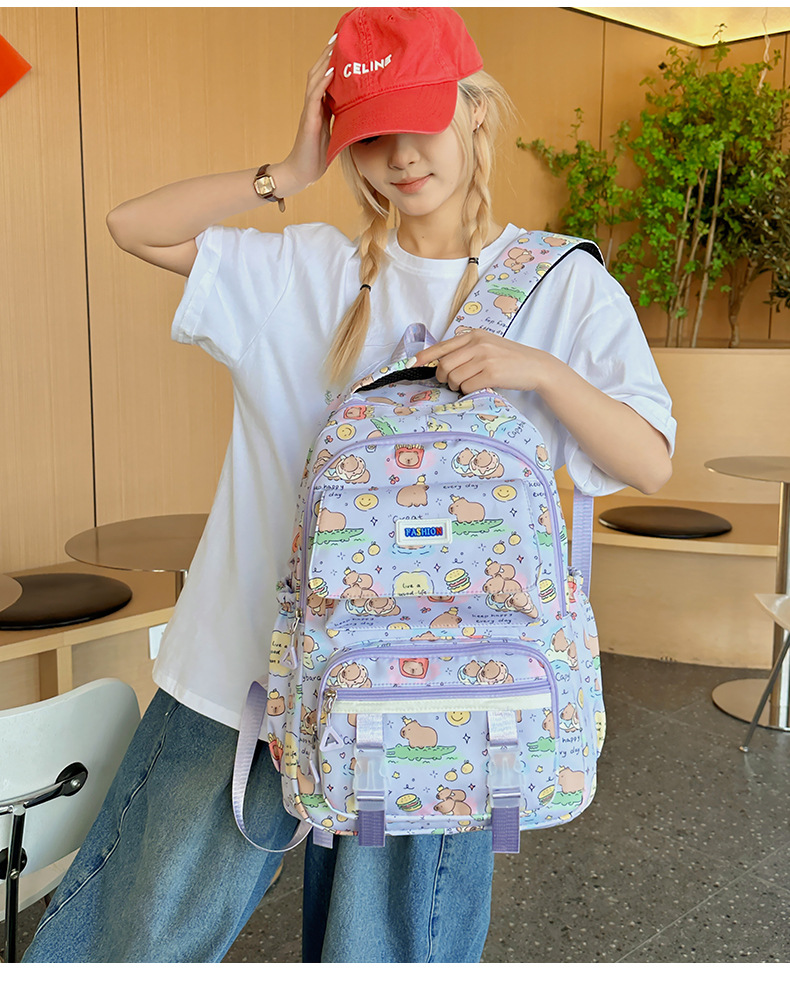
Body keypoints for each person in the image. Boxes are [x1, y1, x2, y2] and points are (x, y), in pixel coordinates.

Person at [23, 7, 675, 964]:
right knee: (132, 945)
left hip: (442, 696)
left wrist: (537, 370)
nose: (400, 155)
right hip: (244, 672)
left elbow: (649, 459)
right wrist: (285, 174)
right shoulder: (304, 271)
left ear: (475, 109)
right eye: (369, 133)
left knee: (382, 958)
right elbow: (133, 226)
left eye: (421, 119)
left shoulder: (556, 285)